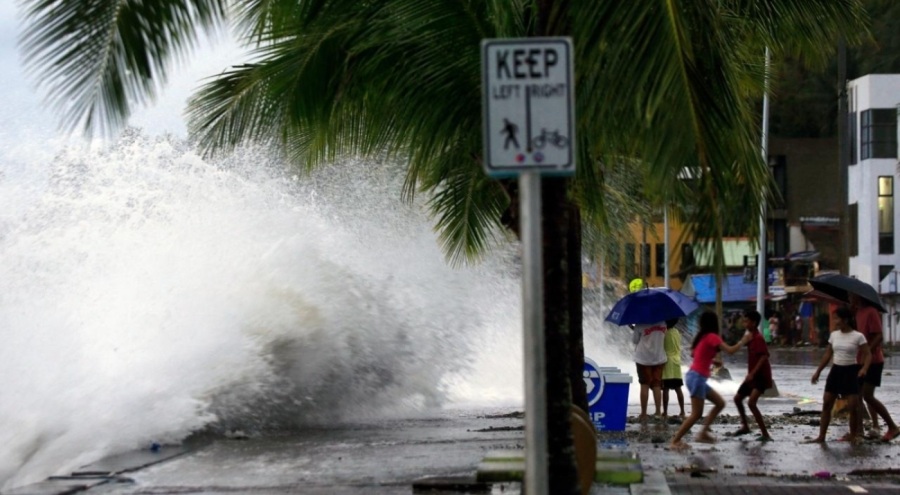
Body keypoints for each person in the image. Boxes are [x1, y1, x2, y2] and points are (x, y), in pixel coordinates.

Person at [669, 311, 750, 449]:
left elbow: (694, 354)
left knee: (720, 403)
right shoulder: (712, 337)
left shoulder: (702, 337)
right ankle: (675, 441)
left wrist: (712, 361)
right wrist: (744, 340)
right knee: (696, 414)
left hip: (694, 376)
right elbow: (730, 351)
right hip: (697, 378)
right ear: (714, 323)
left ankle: (703, 432)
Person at [804, 306, 871, 444]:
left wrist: (864, 368)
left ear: (845, 320)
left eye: (837, 319)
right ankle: (821, 436)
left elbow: (868, 354)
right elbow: (828, 354)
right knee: (827, 403)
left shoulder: (858, 336)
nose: (835, 321)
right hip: (836, 371)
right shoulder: (834, 335)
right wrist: (818, 372)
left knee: (853, 406)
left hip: (851, 371)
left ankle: (853, 435)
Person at [849, 293, 900, 442]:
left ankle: (892, 426)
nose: (849, 298)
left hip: (874, 360)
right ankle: (857, 432)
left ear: (858, 297)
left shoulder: (871, 311)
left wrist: (867, 350)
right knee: (856, 395)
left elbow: (878, 335)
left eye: (851, 296)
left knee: (867, 395)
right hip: (859, 360)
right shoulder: (857, 312)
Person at [729, 310, 773, 441]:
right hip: (752, 376)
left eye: (746, 321)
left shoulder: (758, 338)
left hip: (760, 376)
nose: (744, 323)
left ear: (753, 323)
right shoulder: (750, 337)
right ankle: (745, 426)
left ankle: (765, 434)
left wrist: (753, 373)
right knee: (737, 398)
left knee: (751, 403)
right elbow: (738, 345)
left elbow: (764, 356)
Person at [632, 320, 667, 422]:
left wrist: (634, 329)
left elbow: (635, 340)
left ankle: (643, 414)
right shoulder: (663, 323)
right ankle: (658, 412)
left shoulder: (640, 323)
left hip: (643, 358)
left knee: (644, 384)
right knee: (657, 384)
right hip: (659, 357)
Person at [662, 318, 686, 419]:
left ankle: (665, 412)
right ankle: (682, 411)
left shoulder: (664, 333)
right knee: (678, 388)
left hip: (667, 362)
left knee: (665, 389)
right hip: (677, 362)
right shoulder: (677, 332)